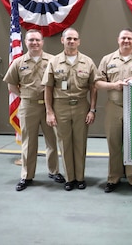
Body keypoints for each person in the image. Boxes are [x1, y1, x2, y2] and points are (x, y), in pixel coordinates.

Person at [3, 29, 65, 191]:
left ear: (42, 42)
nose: (35, 43)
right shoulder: (18, 62)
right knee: (29, 142)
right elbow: (11, 86)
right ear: (25, 42)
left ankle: (54, 171)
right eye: (31, 40)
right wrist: (26, 95)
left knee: (52, 140)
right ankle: (27, 175)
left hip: (49, 106)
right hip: (28, 106)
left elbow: (59, 82)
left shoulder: (53, 60)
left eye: (37, 40)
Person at [42, 27, 99, 191]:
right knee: (64, 143)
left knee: (80, 143)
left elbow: (93, 87)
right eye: (68, 39)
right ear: (62, 40)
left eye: (74, 39)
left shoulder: (87, 62)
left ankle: (80, 178)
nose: (72, 41)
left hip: (81, 106)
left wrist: (92, 110)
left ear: (79, 41)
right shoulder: (54, 62)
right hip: (61, 107)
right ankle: (70, 178)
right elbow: (48, 88)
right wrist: (49, 111)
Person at [95, 28, 132, 193]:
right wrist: (114, 85)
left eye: (129, 39)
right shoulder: (108, 59)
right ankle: (113, 178)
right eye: (123, 38)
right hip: (114, 106)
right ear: (118, 40)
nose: (126, 41)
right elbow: (98, 83)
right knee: (114, 143)